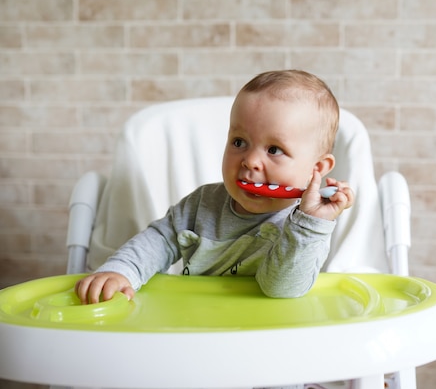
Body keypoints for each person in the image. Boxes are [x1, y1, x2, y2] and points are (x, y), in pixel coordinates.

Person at [75, 70, 354, 304]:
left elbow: (281, 289)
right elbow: (158, 241)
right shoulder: (202, 205)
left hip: (270, 340)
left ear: (316, 169)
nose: (250, 161)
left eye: (274, 149)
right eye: (239, 142)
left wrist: (310, 224)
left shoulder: (304, 230)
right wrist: (121, 271)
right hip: (199, 327)